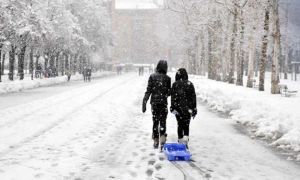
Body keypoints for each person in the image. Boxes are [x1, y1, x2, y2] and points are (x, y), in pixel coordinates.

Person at [142, 60, 171, 149]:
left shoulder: (152, 77)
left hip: (154, 103)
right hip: (163, 103)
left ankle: (155, 140)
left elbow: (148, 90)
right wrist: (165, 94)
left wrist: (144, 101)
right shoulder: (167, 78)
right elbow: (169, 92)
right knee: (163, 121)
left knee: (155, 121)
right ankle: (162, 139)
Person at [170, 68, 197, 149]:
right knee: (186, 125)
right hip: (188, 109)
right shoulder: (190, 84)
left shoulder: (175, 84)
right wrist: (194, 109)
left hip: (178, 109)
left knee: (180, 124)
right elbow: (193, 98)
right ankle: (185, 141)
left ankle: (180, 141)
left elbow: (173, 98)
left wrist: (173, 108)